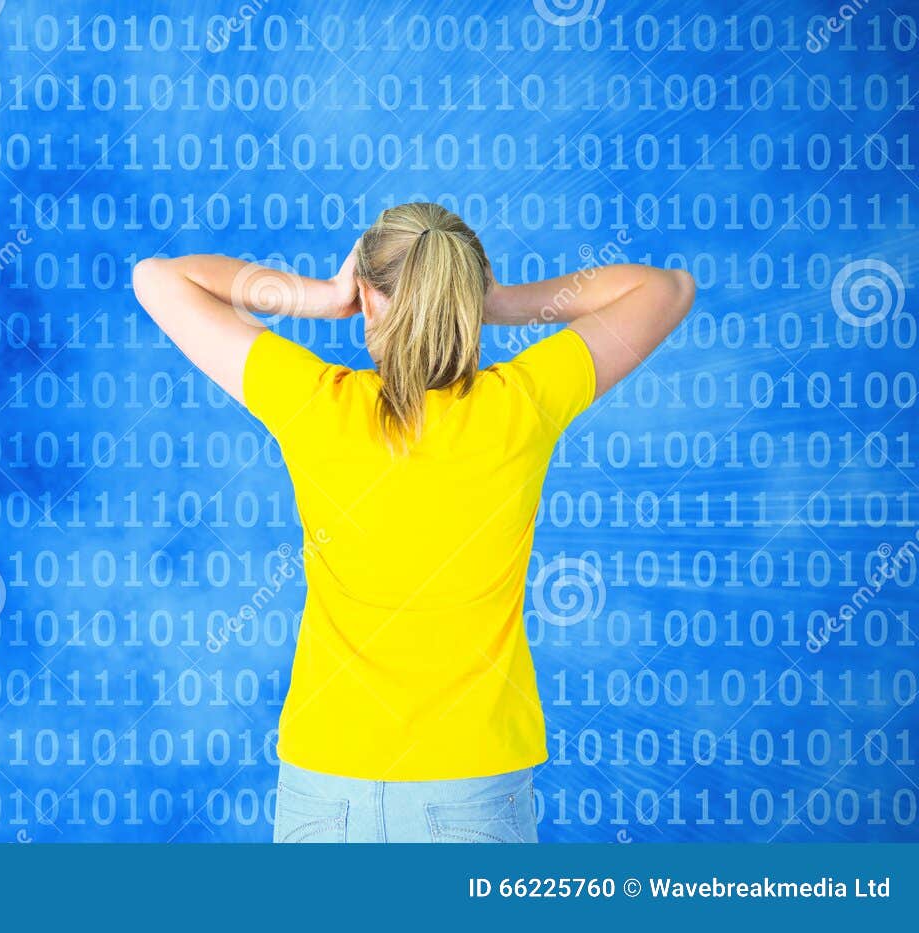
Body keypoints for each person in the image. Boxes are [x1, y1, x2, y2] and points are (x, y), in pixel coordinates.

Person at [131, 202, 696, 843]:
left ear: (369, 302)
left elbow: (158, 277)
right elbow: (667, 288)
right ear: (466, 301)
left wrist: (323, 296)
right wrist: (501, 302)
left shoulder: (315, 403)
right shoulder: (522, 405)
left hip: (326, 783)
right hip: (473, 788)